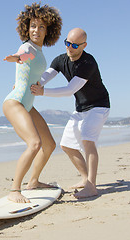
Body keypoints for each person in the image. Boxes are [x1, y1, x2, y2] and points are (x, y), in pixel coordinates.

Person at [30, 28, 110, 199]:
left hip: (98, 106)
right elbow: (44, 77)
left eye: (74, 45)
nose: (70, 48)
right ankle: (84, 178)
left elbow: (70, 89)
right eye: (67, 43)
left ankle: (91, 186)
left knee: (88, 140)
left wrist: (42, 92)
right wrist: (30, 84)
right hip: (81, 108)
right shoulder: (60, 60)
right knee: (67, 145)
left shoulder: (88, 63)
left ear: (84, 45)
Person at [2, 3, 62, 203]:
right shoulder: (27, 48)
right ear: (27, 28)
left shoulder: (40, 51)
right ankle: (14, 190)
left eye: (41, 27)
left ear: (48, 30)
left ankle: (33, 181)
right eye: (33, 26)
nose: (36, 30)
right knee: (35, 143)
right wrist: (17, 58)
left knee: (50, 145)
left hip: (27, 105)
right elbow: (25, 57)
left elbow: (31, 72)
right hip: (15, 103)